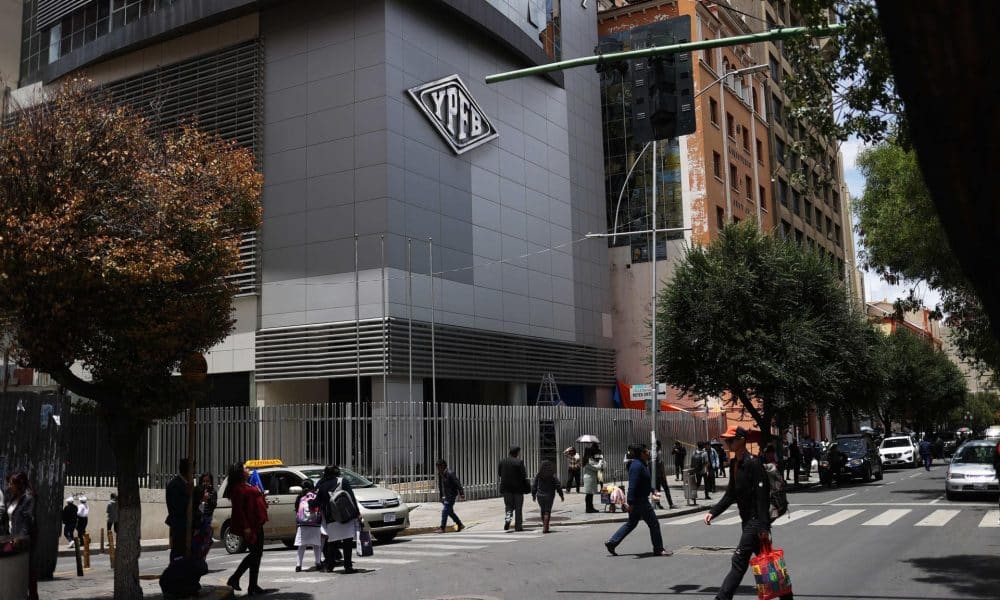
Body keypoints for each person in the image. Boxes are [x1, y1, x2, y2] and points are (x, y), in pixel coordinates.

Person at [704, 427, 792, 600]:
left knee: (738, 562)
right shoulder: (735, 465)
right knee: (769, 564)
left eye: (730, 440)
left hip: (755, 522)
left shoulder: (753, 463)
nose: (727, 443)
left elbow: (762, 498)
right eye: (726, 441)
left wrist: (763, 526)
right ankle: (787, 597)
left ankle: (721, 598)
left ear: (741, 440)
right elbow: (730, 494)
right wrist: (713, 512)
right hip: (747, 522)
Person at [604, 444, 671, 557]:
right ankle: (659, 549)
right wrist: (630, 503)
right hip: (640, 501)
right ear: (641, 454)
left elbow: (642, 482)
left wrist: (652, 489)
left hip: (638, 500)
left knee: (631, 523)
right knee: (654, 524)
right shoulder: (636, 466)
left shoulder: (641, 464)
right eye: (646, 452)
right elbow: (632, 486)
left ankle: (612, 543)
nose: (648, 453)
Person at [225, 461, 268, 593]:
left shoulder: (245, 485)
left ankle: (252, 585)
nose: (248, 469)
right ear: (239, 472)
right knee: (255, 554)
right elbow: (239, 510)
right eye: (245, 468)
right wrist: (246, 528)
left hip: (256, 523)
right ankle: (235, 578)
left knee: (257, 554)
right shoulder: (238, 489)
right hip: (250, 526)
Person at [313, 464, 362, 574]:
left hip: (331, 517)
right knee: (347, 542)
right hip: (346, 516)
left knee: (332, 542)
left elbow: (317, 501)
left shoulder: (321, 484)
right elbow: (351, 497)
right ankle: (348, 567)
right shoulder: (342, 481)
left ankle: (329, 566)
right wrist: (357, 513)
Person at [6, 471, 40, 600]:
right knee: (16, 571)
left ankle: (32, 597)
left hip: (24, 540)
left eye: (11, 484)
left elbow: (28, 519)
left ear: (19, 484)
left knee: (28, 571)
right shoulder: (13, 498)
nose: (9, 486)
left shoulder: (29, 498)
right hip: (12, 538)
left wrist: (21, 537)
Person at [165, 458, 200, 560]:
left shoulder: (187, 484)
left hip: (188, 527)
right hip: (180, 527)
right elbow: (178, 507)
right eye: (193, 469)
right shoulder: (175, 485)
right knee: (178, 553)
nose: (195, 472)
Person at [293, 479, 323, 572]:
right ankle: (318, 562)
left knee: (301, 545)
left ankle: (298, 565)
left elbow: (296, 509)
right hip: (315, 524)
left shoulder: (300, 497)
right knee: (316, 545)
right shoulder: (316, 496)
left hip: (302, 524)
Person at [498, 446, 528, 531]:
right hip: (518, 489)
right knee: (518, 508)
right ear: (517, 453)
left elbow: (499, 473)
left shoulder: (502, 461)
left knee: (508, 506)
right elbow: (523, 475)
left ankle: (508, 519)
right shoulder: (519, 462)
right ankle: (518, 526)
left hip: (506, 488)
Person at [531, 460, 564, 533]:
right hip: (549, 495)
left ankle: (544, 525)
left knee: (542, 510)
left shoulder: (538, 475)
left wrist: (533, 495)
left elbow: (534, 485)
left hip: (540, 495)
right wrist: (561, 495)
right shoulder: (552, 475)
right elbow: (558, 485)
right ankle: (546, 525)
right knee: (547, 511)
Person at [436, 459, 465, 533]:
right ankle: (460, 524)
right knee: (450, 512)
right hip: (445, 496)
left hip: (451, 495)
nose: (438, 469)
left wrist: (461, 493)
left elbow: (457, 483)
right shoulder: (440, 474)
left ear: (443, 466)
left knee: (445, 511)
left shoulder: (450, 473)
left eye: (439, 467)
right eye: (437, 467)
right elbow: (441, 486)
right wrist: (441, 496)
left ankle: (442, 528)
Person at [196, 473, 217, 559]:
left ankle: (203, 556)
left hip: (208, 517)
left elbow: (214, 505)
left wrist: (208, 498)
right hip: (199, 518)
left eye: (207, 481)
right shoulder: (198, 490)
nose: (205, 483)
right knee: (199, 539)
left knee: (208, 540)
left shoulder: (213, 492)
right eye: (204, 481)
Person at [653, 441, 676, 510]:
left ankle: (657, 504)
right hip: (660, 475)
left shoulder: (652, 453)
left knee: (657, 490)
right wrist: (664, 475)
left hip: (655, 475)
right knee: (666, 489)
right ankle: (670, 504)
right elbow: (661, 464)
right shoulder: (659, 452)